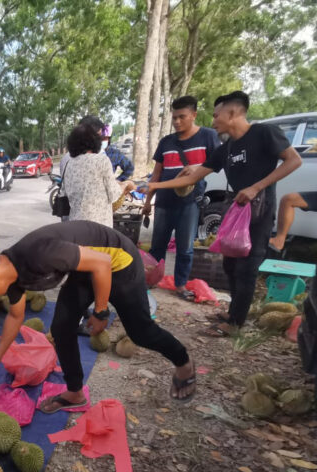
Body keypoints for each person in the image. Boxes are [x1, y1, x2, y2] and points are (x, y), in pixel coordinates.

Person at [0, 221, 196, 407]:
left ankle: (183, 362)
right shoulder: (11, 276)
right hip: (85, 267)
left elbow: (102, 263)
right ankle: (74, 393)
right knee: (62, 327)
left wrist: (101, 313)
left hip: (118, 261)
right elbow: (15, 316)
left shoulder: (39, 253)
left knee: (141, 332)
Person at [141, 91, 302, 336]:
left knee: (247, 267)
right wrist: (153, 186)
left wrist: (257, 186)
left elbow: (294, 160)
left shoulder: (263, 133)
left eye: (217, 116)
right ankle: (233, 312)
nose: (213, 121)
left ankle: (235, 323)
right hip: (236, 209)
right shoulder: (227, 147)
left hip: (259, 209)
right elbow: (195, 176)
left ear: (233, 113)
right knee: (230, 264)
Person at [142, 96, 221, 301]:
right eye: (174, 117)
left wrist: (197, 169)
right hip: (164, 202)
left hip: (190, 202)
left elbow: (216, 165)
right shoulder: (166, 142)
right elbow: (156, 175)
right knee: (157, 246)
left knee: (185, 248)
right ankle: (149, 281)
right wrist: (148, 202)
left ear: (194, 115)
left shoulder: (208, 136)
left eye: (182, 117)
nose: (177, 122)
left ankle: (180, 285)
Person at [61, 124, 135, 227]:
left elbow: (66, 193)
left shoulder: (70, 163)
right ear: (95, 142)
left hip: (75, 225)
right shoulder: (101, 160)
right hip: (99, 227)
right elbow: (113, 195)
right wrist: (126, 184)